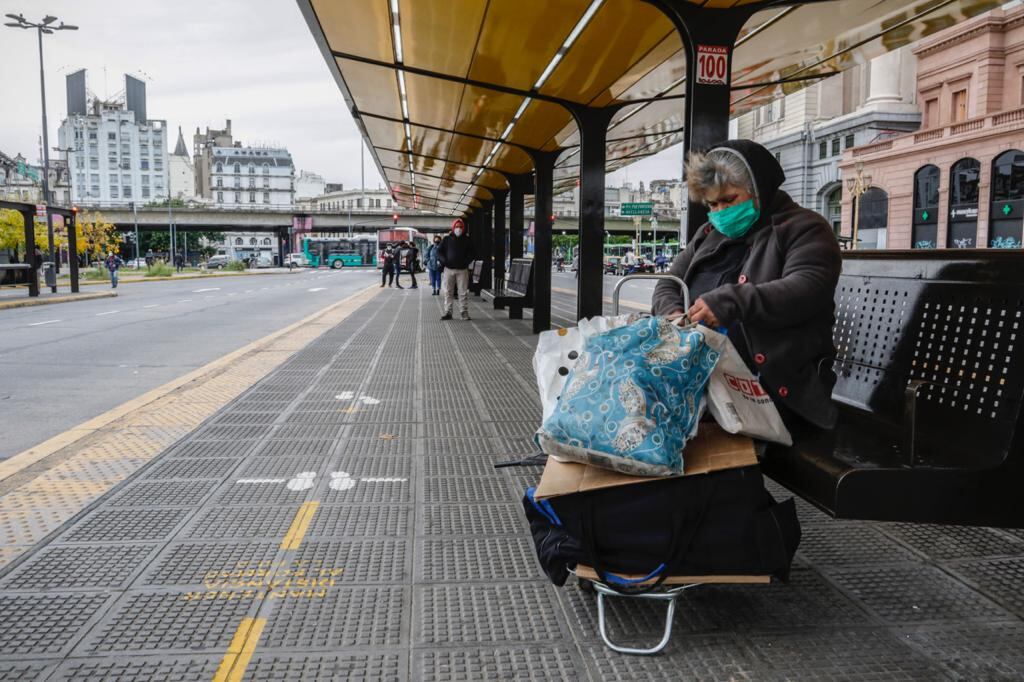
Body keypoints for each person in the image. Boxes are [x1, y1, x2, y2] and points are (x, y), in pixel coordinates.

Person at [652, 139, 842, 434]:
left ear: (759, 189)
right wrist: (673, 312)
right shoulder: (707, 234)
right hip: (705, 378)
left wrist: (732, 301)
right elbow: (668, 283)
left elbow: (807, 288)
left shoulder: (806, 229)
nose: (720, 212)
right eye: (713, 205)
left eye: (729, 200)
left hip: (774, 387)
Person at [438, 217, 475, 320]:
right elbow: (439, 252)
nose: (458, 229)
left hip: (463, 270)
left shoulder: (467, 240)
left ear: (463, 228)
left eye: (460, 227)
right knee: (448, 291)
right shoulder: (446, 239)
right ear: (453, 227)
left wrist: (466, 262)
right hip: (448, 269)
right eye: (457, 226)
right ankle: (448, 312)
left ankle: (464, 312)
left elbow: (472, 253)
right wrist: (444, 261)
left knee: (463, 292)